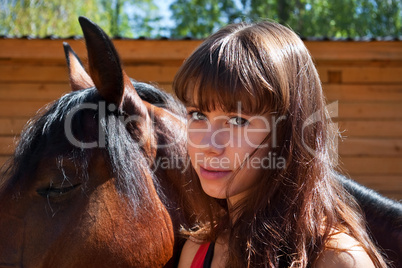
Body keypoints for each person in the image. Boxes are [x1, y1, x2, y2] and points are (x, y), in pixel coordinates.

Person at [172, 20, 388, 268]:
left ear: (288, 132)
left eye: (238, 120)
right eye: (198, 115)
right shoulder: (196, 252)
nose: (208, 145)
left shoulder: (338, 260)